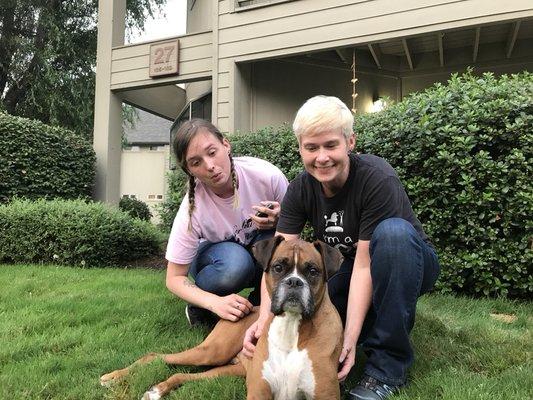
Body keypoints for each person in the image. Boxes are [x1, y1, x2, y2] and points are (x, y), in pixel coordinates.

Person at [243, 96, 440, 400]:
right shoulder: (300, 188)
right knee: (318, 301)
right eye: (311, 148)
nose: (321, 157)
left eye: (330, 145)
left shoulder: (376, 178)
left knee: (393, 234)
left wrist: (348, 339)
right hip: (348, 265)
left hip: (405, 260)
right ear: (300, 149)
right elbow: (276, 259)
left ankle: (386, 369)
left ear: (350, 142)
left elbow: (365, 265)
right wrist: (263, 322)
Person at [165, 118, 289, 327]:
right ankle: (198, 306)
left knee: (278, 242)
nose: (210, 166)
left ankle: (259, 300)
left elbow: (294, 231)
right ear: (189, 170)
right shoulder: (192, 210)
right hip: (216, 260)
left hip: (257, 247)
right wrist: (213, 302)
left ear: (226, 145)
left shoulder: (266, 175)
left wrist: (280, 218)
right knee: (236, 263)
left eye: (212, 152)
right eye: (196, 162)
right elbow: (174, 278)